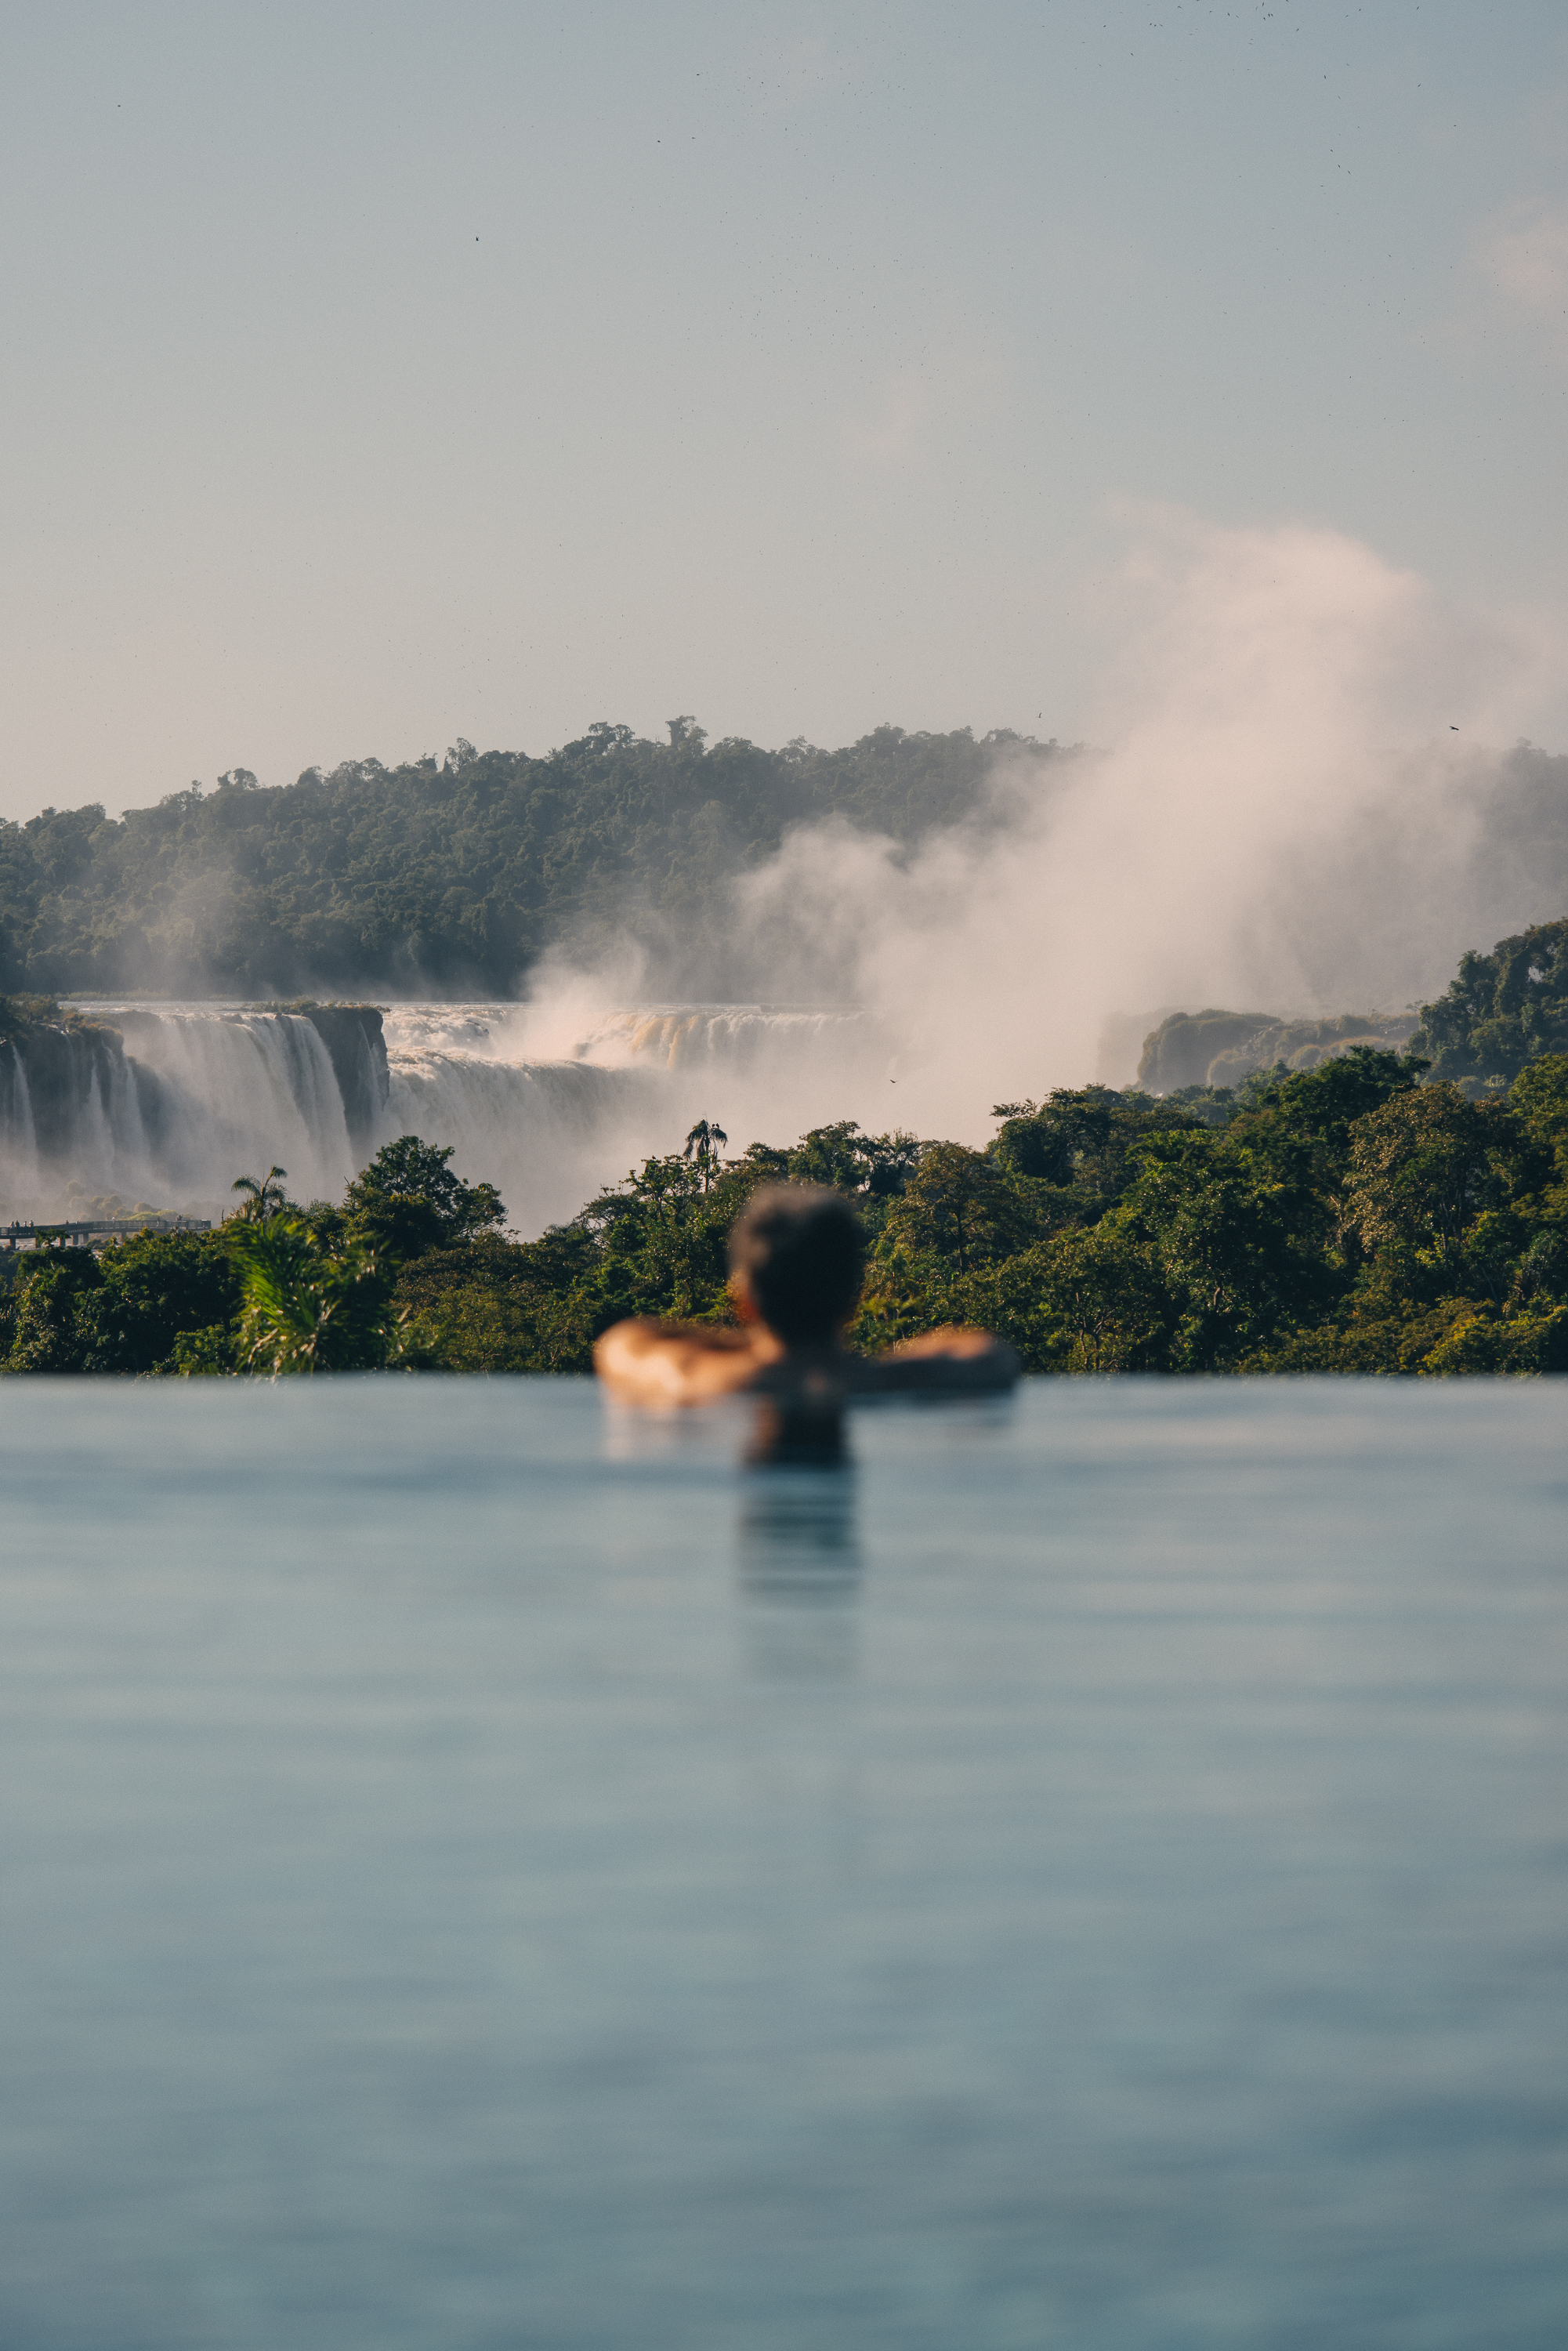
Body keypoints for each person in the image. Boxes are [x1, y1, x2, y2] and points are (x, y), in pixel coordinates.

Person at [592, 1182, 1019, 1416]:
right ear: (854, 1299)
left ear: (745, 1303)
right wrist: (862, 1360)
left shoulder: (690, 1378)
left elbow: (622, 1341)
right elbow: (989, 1351)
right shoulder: (889, 1384)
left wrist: (763, 1343)